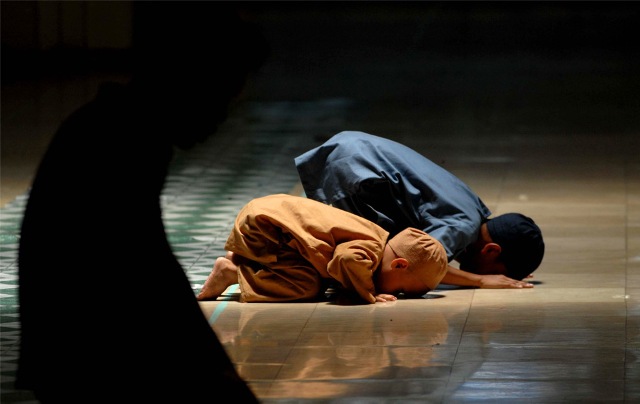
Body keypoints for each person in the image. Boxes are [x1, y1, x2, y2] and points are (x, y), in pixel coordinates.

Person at [16, 3, 268, 403]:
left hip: (72, 346)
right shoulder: (124, 141)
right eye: (219, 98)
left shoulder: (111, 123)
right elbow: (147, 268)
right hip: (87, 354)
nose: (221, 119)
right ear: (188, 79)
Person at [294, 131, 545, 289]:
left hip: (354, 149)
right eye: (496, 271)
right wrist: (480, 280)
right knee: (359, 267)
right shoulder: (462, 227)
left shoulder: (473, 207)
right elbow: (421, 261)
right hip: (355, 172)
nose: (492, 275)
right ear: (491, 250)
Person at [196, 194, 448, 304]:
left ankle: (244, 258)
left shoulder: (375, 235)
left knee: (311, 270)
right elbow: (346, 259)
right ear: (399, 264)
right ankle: (232, 272)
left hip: (266, 216)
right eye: (401, 289)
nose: (396, 294)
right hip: (267, 228)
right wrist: (367, 294)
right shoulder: (370, 249)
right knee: (307, 285)